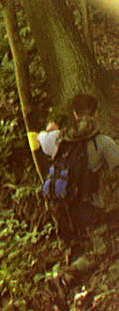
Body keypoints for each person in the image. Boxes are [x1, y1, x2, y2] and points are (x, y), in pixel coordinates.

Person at [42, 93, 119, 300]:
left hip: (62, 210)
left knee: (77, 246)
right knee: (105, 249)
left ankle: (65, 291)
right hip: (89, 212)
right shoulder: (103, 142)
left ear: (75, 114)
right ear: (96, 113)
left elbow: (41, 140)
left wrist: (50, 128)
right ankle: (63, 279)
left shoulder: (58, 139)